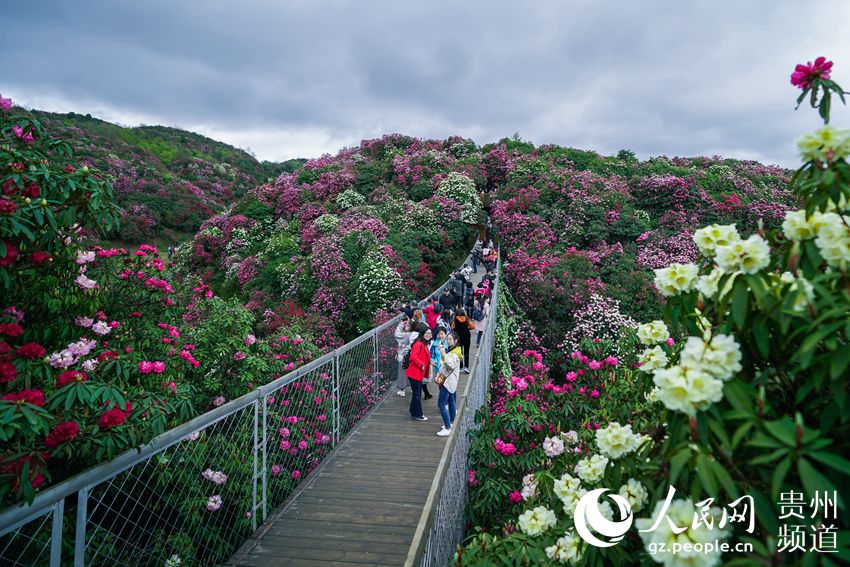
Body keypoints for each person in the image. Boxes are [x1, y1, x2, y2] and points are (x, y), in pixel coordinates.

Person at [435, 331, 462, 437]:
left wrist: (442, 353)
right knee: (451, 401)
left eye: (450, 339)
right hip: (450, 382)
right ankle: (451, 421)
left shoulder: (456, 354)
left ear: (455, 341)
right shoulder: (453, 350)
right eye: (448, 339)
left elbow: (450, 365)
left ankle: (447, 427)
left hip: (448, 382)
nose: (448, 340)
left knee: (441, 405)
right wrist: (443, 353)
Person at [405, 323, 432, 421]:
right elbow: (413, 357)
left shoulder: (423, 343)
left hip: (418, 373)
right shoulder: (418, 344)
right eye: (427, 333)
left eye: (430, 333)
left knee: (417, 394)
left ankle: (413, 411)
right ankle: (418, 414)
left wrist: (429, 362)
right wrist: (421, 365)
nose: (429, 335)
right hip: (414, 373)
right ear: (422, 333)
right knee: (417, 395)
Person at [394, 311, 414, 396]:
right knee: (412, 371)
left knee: (402, 372)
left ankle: (402, 390)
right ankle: (413, 388)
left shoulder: (402, 333)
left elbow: (396, 333)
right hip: (411, 354)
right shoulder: (413, 333)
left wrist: (402, 323)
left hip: (402, 355)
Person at [452, 308, 475, 374]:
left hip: (459, 338)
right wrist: (468, 328)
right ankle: (466, 367)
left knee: (460, 352)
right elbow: (473, 327)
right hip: (467, 337)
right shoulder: (466, 319)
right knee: (466, 352)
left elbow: (452, 327)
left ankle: (461, 367)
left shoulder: (455, 320)